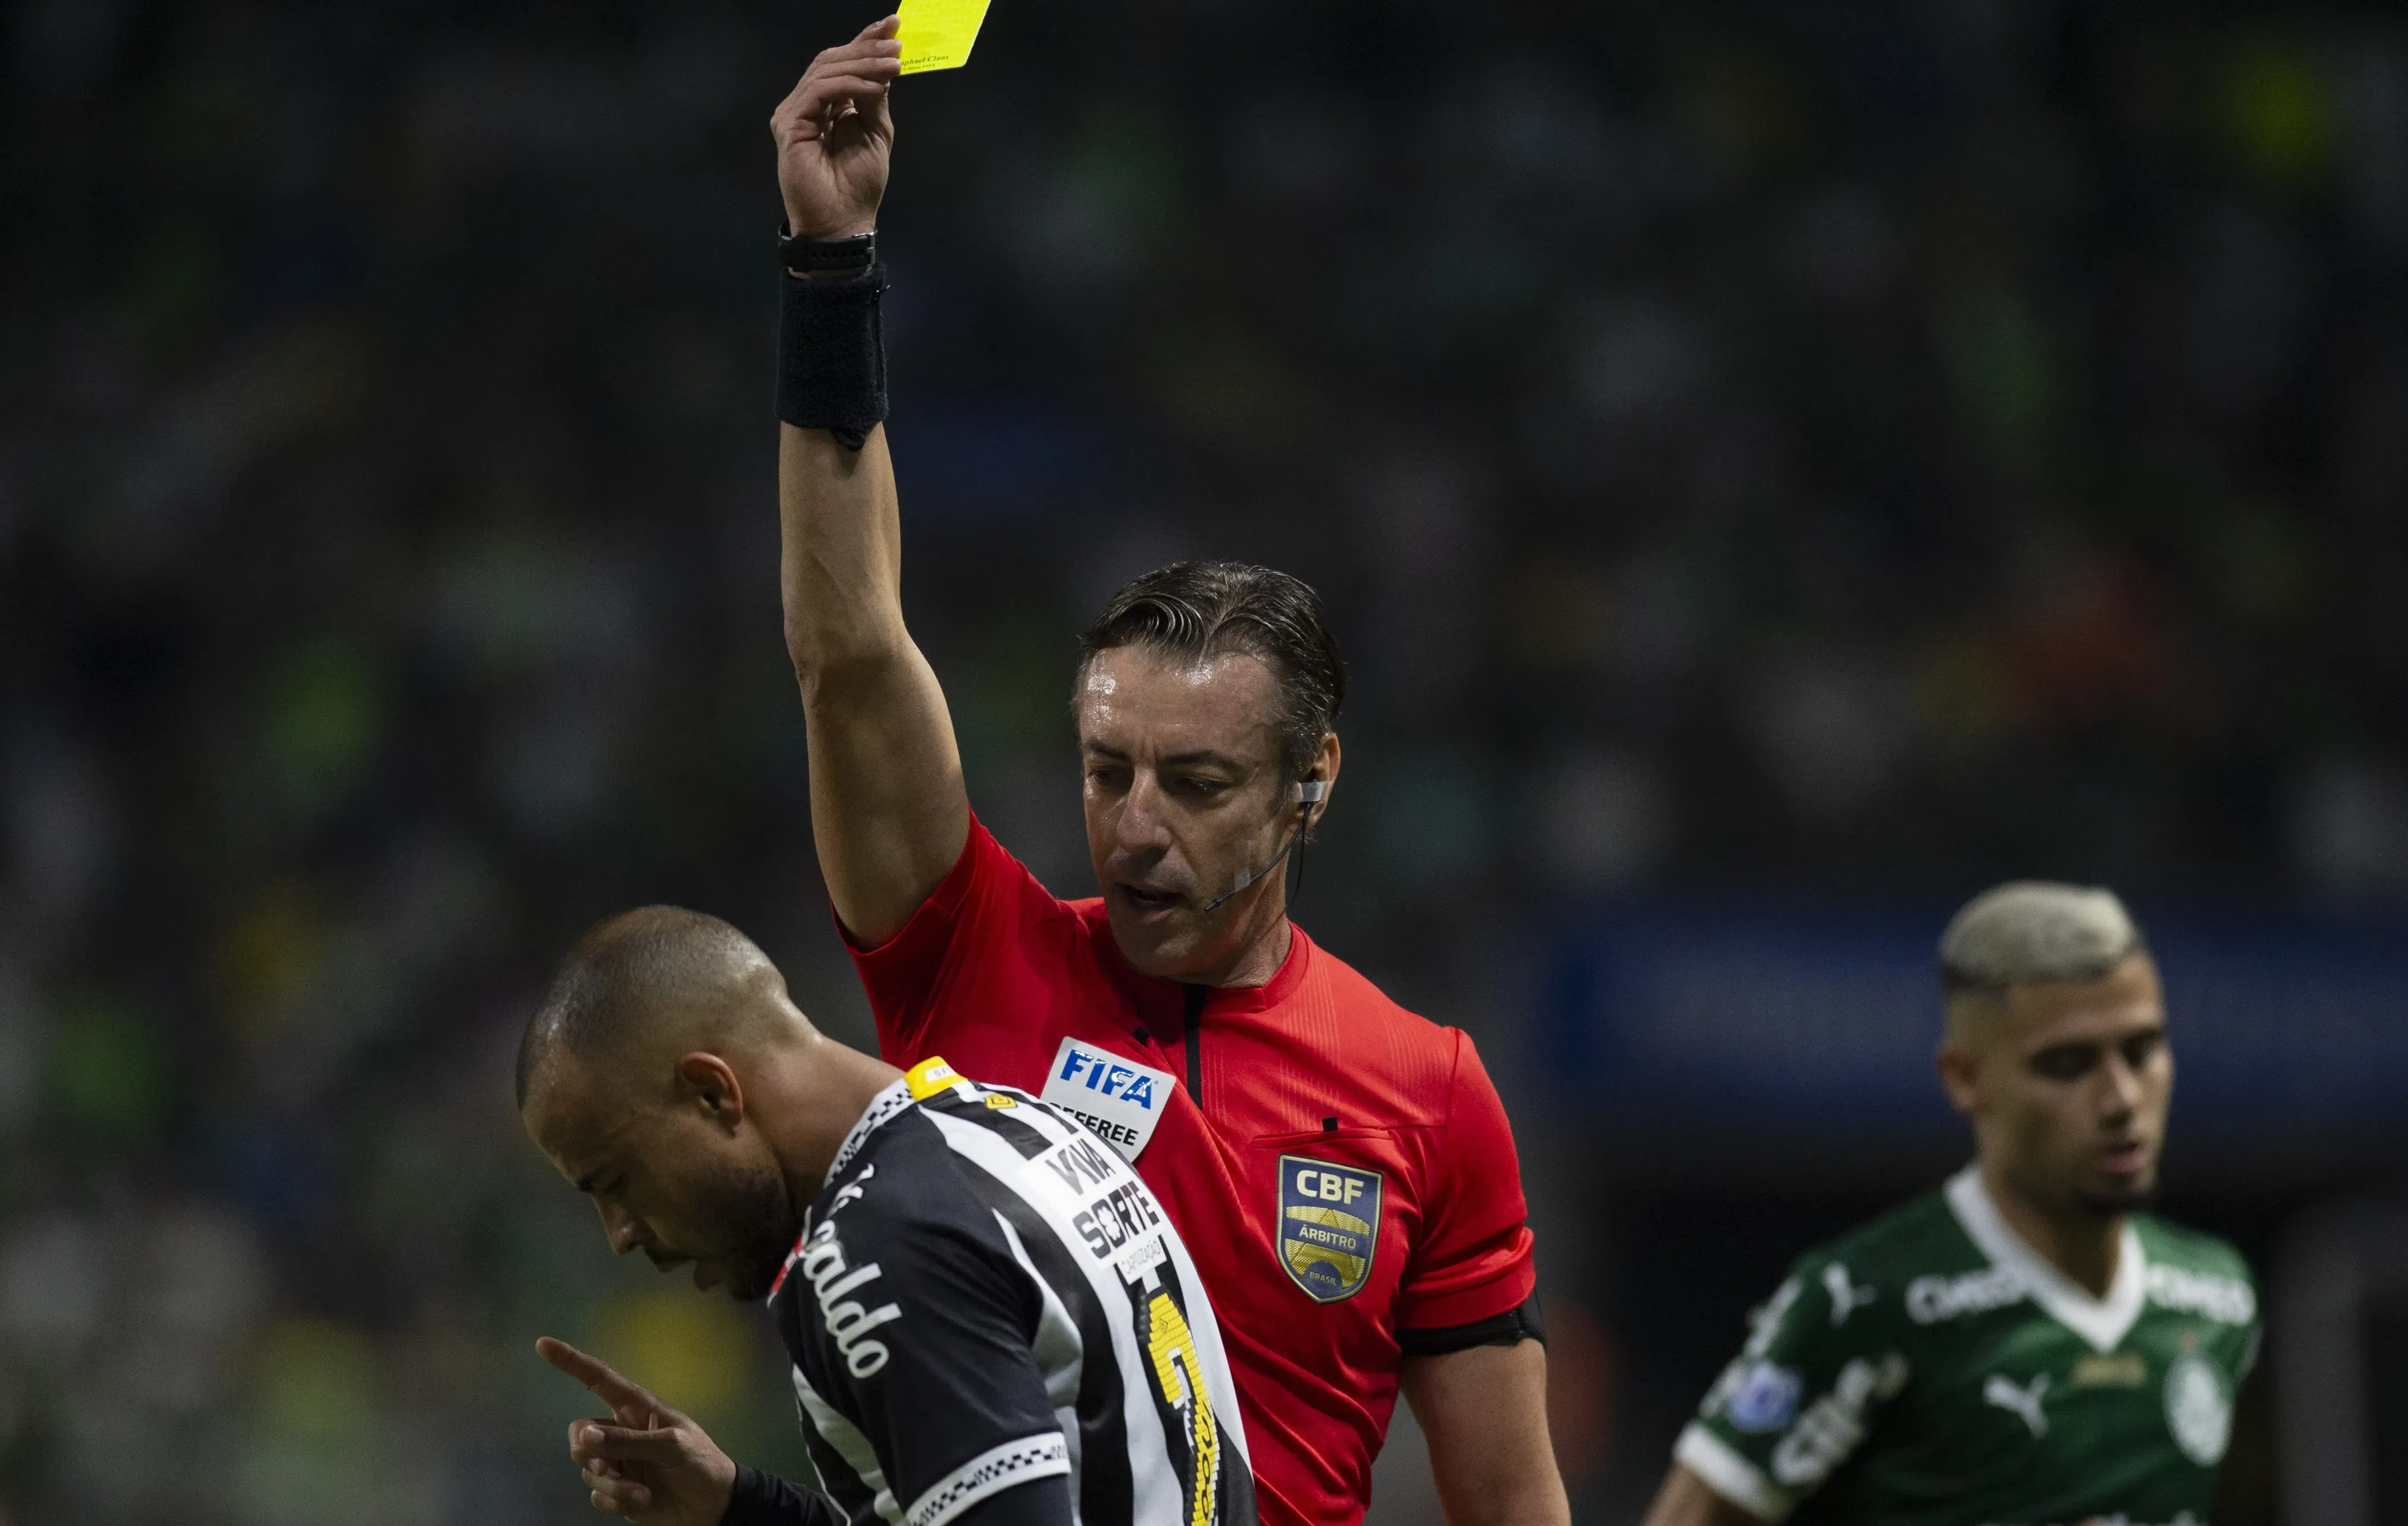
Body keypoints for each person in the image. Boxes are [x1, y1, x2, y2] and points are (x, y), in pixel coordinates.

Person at [767, 20, 1562, 1526]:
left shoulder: (1426, 1093)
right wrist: (830, 263)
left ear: (1308, 783)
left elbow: (1509, 1505)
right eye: (1105, 769)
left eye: (1194, 786)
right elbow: (848, 646)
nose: (1133, 829)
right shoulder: (967, 959)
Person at [516, 905, 1254, 1526]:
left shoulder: (873, 1249)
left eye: (615, 1180)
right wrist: (741, 1506)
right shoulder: (1011, 1125)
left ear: (712, 1092)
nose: (619, 1232)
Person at [1641, 883, 2259, 1526]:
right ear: (1964, 1078)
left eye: (2142, 1050)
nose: (2121, 1098)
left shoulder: (2216, 1297)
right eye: (2067, 1063)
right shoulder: (1866, 1298)